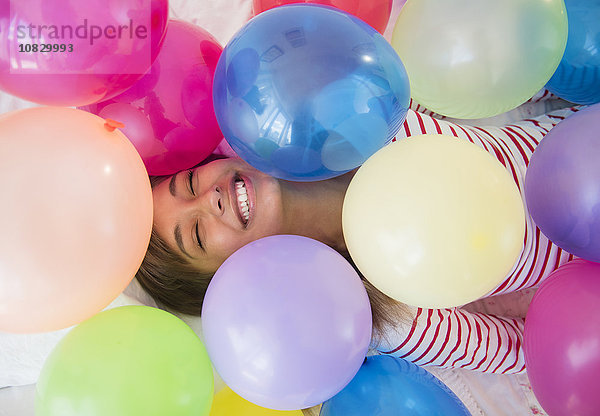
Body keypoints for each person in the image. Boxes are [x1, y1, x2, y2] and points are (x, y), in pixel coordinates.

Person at [136, 97, 580, 376]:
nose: (207, 197)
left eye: (190, 183)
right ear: (232, 280)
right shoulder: (383, 310)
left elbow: (486, 85)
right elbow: (517, 352)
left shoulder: (353, 121)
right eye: (196, 234)